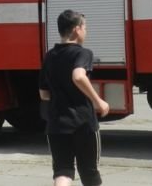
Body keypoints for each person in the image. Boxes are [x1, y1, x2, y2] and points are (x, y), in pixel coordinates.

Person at [39, 10, 110, 186]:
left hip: (56, 123)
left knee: (63, 170)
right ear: (77, 29)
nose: (86, 31)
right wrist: (98, 101)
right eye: (85, 27)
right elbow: (78, 76)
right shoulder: (83, 53)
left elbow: (44, 93)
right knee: (89, 172)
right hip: (82, 122)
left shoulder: (49, 56)